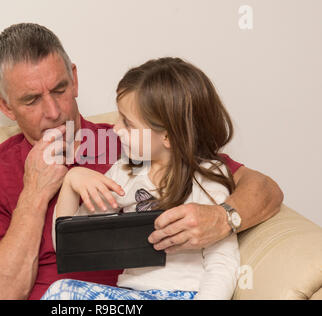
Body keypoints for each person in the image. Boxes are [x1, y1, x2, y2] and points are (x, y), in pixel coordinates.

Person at [0, 23, 284, 300]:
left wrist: (224, 217)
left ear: (74, 78)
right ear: (4, 106)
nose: (53, 111)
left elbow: (262, 188)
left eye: (60, 89)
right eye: (31, 100)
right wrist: (34, 193)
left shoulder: (139, 141)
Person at [41, 57, 240, 300]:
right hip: (132, 296)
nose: (115, 129)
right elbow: (70, 245)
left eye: (128, 123)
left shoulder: (208, 178)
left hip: (185, 295)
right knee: (62, 294)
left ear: (167, 136)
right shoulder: (125, 170)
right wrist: (71, 183)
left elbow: (223, 263)